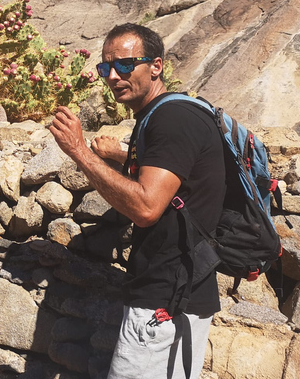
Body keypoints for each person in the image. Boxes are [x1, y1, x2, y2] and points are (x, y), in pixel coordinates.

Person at [49, 23, 225, 379]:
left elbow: (146, 207)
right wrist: (121, 156)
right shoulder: (161, 116)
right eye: (105, 68)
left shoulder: (174, 118)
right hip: (175, 295)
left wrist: (79, 152)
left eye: (125, 65)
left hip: (167, 301)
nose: (113, 76)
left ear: (156, 66)